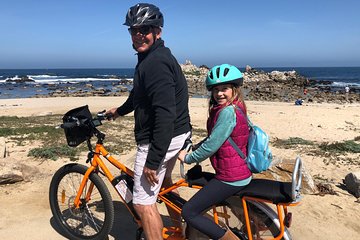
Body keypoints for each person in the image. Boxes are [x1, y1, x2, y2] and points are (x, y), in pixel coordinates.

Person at [106, 3, 191, 239]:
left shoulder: (154, 64)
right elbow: (139, 94)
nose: (138, 35)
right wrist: (120, 111)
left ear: (158, 31)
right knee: (163, 186)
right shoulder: (152, 56)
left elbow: (165, 113)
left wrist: (153, 160)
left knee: (143, 203)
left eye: (145, 29)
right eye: (134, 30)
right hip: (178, 133)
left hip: (161, 137)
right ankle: (179, 233)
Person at [178, 64, 252, 240]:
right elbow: (218, 138)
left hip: (231, 178)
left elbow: (212, 145)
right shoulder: (237, 106)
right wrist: (196, 147)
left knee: (189, 212)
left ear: (235, 88)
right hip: (238, 171)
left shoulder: (227, 112)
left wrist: (189, 157)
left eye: (224, 89)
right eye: (216, 90)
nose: (219, 94)